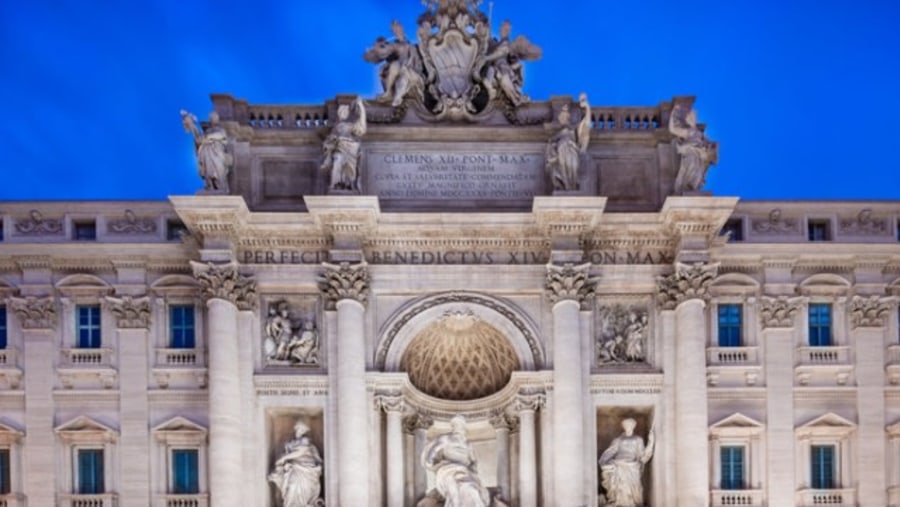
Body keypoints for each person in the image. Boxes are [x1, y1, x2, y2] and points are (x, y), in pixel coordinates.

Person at [421, 415, 490, 507]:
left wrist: (473, 471)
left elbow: (473, 461)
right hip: (448, 470)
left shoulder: (467, 444)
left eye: (461, 425)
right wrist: (431, 464)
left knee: (473, 490)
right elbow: (433, 451)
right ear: (453, 426)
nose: (460, 427)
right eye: (457, 424)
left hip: (464, 472)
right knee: (456, 494)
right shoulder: (446, 438)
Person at [598, 418, 655, 507]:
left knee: (634, 488)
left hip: (633, 467)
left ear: (633, 426)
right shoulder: (618, 440)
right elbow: (611, 451)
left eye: (630, 425)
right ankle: (620, 503)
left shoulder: (638, 439)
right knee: (620, 487)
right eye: (626, 425)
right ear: (623, 427)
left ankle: (632, 503)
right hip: (619, 465)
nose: (628, 427)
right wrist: (604, 461)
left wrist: (651, 442)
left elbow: (642, 455)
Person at [269, 421, 324, 507]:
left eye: (302, 429)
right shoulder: (290, 442)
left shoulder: (305, 440)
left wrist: (284, 458)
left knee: (303, 488)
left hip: (306, 468)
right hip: (293, 468)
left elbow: (301, 452)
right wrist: (284, 462)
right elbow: (286, 453)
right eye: (299, 428)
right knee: (292, 486)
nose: (300, 430)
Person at [545, 93, 591, 191]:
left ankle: (570, 186)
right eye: (562, 116)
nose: (564, 118)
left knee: (571, 170)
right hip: (560, 158)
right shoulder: (555, 137)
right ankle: (565, 185)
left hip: (571, 154)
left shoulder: (573, 131)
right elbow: (550, 151)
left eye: (566, 116)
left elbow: (586, 126)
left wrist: (587, 108)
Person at [321, 97, 367, 192]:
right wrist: (332, 141)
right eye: (341, 112)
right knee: (337, 161)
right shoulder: (335, 128)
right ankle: (334, 184)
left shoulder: (351, 126)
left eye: (345, 112)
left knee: (350, 169)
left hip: (351, 149)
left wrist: (361, 108)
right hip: (339, 148)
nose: (343, 114)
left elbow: (362, 128)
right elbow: (328, 140)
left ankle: (349, 184)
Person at [668, 104, 717, 193]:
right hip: (691, 152)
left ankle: (692, 187)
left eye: (694, 117)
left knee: (697, 173)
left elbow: (709, 145)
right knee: (691, 168)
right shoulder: (688, 132)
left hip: (700, 155)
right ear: (687, 120)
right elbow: (672, 129)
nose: (693, 118)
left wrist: (710, 147)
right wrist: (672, 115)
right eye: (691, 117)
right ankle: (687, 186)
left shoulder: (699, 133)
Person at [181, 110, 232, 192]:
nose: (213, 119)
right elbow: (199, 140)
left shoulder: (221, 130)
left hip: (217, 152)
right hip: (207, 152)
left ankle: (220, 185)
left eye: (214, 117)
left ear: (217, 119)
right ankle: (210, 185)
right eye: (211, 118)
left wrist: (207, 138)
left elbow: (221, 137)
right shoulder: (207, 131)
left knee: (218, 169)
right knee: (209, 170)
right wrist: (193, 128)